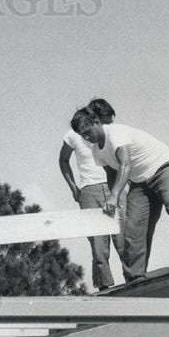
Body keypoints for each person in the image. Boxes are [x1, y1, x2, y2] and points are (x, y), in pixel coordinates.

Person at [71, 106, 169, 281]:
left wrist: (115, 197)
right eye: (82, 135)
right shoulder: (96, 150)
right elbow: (111, 174)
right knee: (133, 226)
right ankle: (135, 276)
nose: (86, 138)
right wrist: (112, 197)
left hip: (162, 167)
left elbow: (125, 165)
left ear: (96, 122)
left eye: (88, 132)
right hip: (140, 182)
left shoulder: (115, 133)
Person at [59, 104, 128, 290]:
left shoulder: (109, 130)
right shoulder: (73, 134)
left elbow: (124, 159)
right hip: (89, 189)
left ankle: (134, 282)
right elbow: (63, 160)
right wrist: (74, 187)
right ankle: (105, 290)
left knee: (124, 240)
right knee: (99, 246)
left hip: (114, 185)